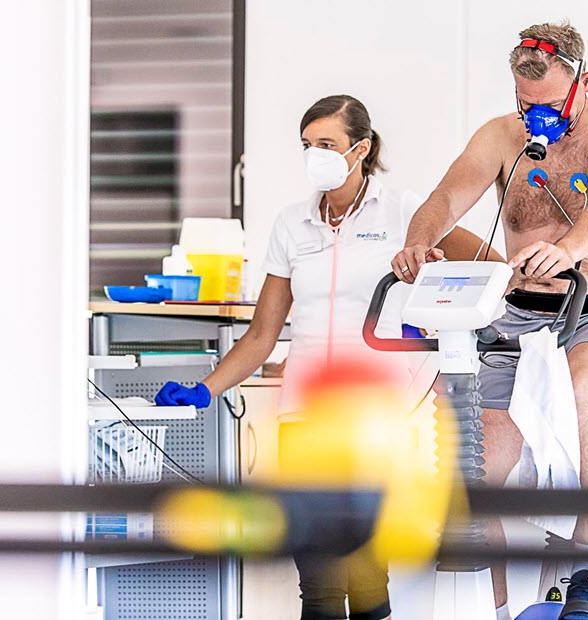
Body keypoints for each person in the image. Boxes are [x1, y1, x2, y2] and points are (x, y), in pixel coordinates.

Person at [155, 94, 502, 620]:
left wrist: (430, 308)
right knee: (317, 587)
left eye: (327, 144)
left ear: (360, 148)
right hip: (307, 420)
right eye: (307, 145)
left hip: (382, 416)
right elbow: (261, 336)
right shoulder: (292, 224)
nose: (315, 155)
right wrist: (206, 387)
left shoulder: (405, 211)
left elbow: (489, 263)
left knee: (366, 581)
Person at [391, 22, 588, 620]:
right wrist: (418, 242)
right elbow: (444, 198)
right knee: (480, 456)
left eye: (547, 103)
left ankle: (587, 570)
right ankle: (496, 601)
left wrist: (568, 250)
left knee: (577, 392)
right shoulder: (503, 135)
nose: (533, 115)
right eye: (523, 102)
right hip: (517, 314)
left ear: (583, 82)